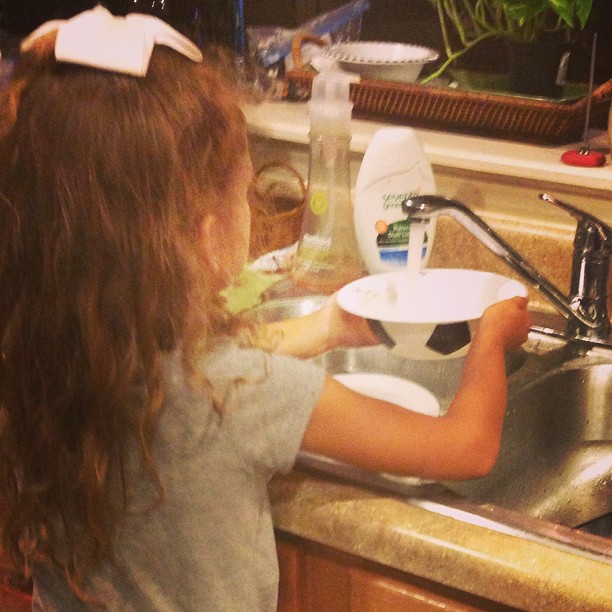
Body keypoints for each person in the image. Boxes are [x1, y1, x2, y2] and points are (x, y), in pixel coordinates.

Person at [0, 6, 531, 611]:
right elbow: (465, 448)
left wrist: (327, 327)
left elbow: (197, 364)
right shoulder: (251, 394)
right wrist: (491, 337)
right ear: (205, 238)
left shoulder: (39, 354)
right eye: (244, 190)